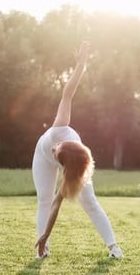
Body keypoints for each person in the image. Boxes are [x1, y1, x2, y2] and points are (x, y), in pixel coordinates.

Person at [32, 41, 123, 259]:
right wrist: (81, 64)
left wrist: (47, 232)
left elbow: (58, 204)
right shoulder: (59, 130)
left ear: (65, 167)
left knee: (89, 201)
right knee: (43, 198)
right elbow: (67, 94)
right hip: (40, 157)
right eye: (57, 147)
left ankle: (114, 247)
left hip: (71, 166)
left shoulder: (74, 171)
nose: (54, 147)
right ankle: (43, 252)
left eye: (56, 151)